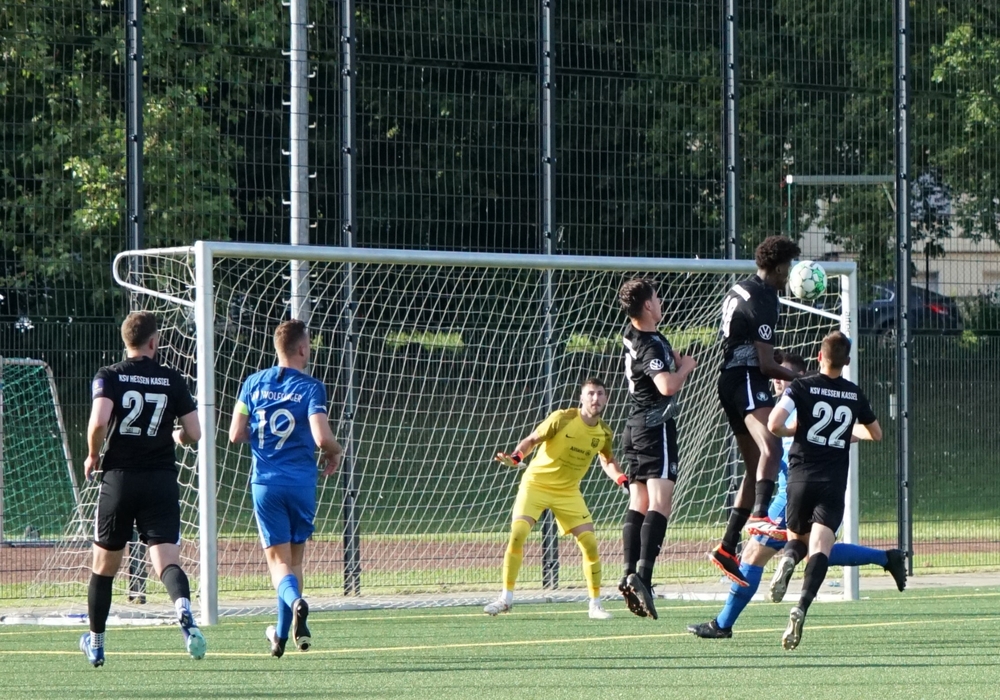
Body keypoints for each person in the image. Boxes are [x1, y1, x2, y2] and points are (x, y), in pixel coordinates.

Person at [687, 351, 905, 639]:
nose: (778, 380)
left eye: (784, 374)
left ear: (800, 377)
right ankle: (886, 558)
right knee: (819, 551)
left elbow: (851, 434)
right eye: (775, 375)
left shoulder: (797, 406)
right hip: (815, 491)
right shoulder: (785, 407)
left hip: (793, 495)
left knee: (753, 554)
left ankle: (723, 624)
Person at [79, 311, 205, 667]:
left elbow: (99, 421)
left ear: (126, 341)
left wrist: (92, 455)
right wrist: (176, 437)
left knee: (104, 566)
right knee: (167, 562)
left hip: (120, 479)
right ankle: (183, 609)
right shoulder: (171, 379)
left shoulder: (110, 375)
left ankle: (96, 643)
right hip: (160, 480)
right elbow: (194, 432)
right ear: (154, 341)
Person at [228, 319, 343, 657]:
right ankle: (280, 636)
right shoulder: (312, 387)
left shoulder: (252, 383)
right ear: (303, 349)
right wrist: (336, 452)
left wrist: (261, 437)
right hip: (302, 483)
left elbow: (235, 434)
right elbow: (322, 437)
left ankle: (295, 604)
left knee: (279, 564)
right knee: (294, 562)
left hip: (266, 483)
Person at [766, 331, 882, 650]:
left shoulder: (801, 386)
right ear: (847, 361)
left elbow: (774, 424)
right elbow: (876, 433)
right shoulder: (853, 393)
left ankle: (788, 559)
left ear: (819, 356)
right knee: (820, 549)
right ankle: (801, 606)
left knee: (797, 542)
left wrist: (793, 429)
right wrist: (845, 434)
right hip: (832, 484)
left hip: (800, 478)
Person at [485, 377, 627, 620]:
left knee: (589, 543)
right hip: (536, 484)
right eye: (590, 393)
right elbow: (531, 440)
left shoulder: (604, 432)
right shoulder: (562, 418)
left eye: (600, 393)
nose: (595, 398)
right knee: (518, 532)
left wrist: (622, 480)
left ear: (607, 398)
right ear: (581, 398)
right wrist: (517, 458)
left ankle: (595, 605)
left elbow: (608, 460)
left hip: (568, 491)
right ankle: (505, 599)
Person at [710, 235, 803, 587]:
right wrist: (803, 379)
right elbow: (764, 365)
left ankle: (727, 547)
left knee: (754, 468)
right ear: (778, 268)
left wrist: (773, 359)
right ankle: (760, 515)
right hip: (747, 378)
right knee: (772, 444)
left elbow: (750, 345)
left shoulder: (741, 288)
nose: (789, 274)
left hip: (731, 380)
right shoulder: (764, 298)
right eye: (788, 267)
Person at [617, 278, 698, 620]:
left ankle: (628, 573)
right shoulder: (649, 345)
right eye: (657, 297)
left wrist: (674, 359)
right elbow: (666, 385)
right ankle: (644, 578)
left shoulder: (641, 336)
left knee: (639, 502)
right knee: (661, 503)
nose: (661, 301)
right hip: (654, 428)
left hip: (634, 428)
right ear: (648, 306)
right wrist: (686, 368)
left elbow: (660, 361)